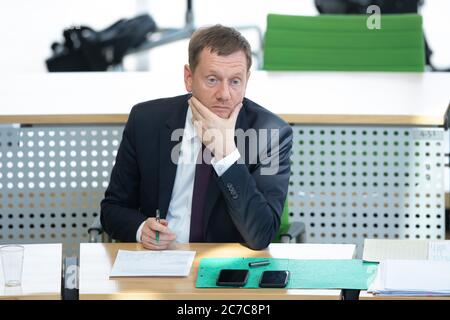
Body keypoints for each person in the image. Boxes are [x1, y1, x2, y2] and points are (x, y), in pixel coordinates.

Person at [100, 24, 293, 250]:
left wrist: (227, 155)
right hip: (160, 261)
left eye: (235, 81)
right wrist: (141, 228)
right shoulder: (146, 121)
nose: (224, 94)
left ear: (247, 80)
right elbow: (112, 209)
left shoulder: (270, 134)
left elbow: (261, 235)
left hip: (225, 267)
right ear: (189, 78)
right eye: (212, 80)